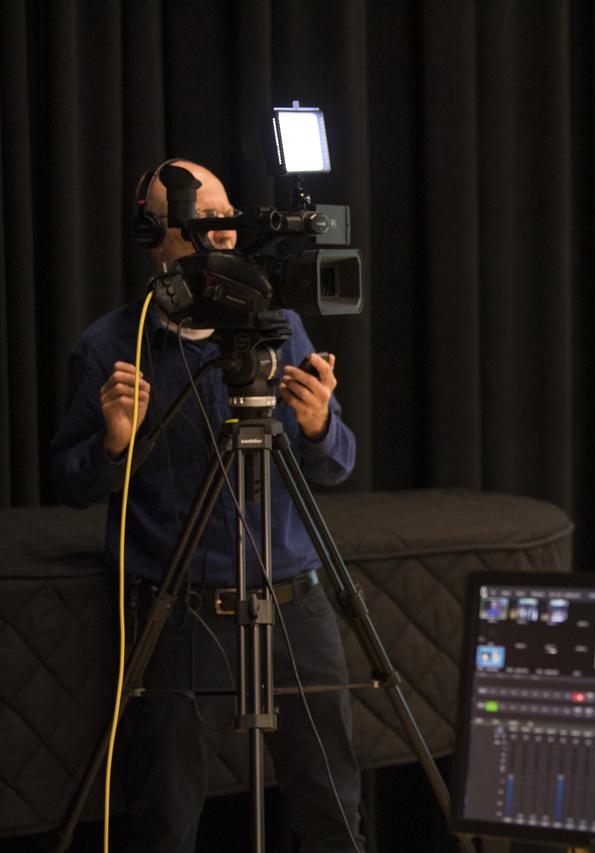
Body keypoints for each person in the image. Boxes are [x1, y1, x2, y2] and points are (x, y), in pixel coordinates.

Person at [50, 160, 365, 852]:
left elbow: (336, 462)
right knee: (164, 821)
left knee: (334, 813)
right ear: (154, 234)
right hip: (178, 611)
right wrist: (111, 443)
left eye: (224, 215)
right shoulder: (111, 347)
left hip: (294, 606)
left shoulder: (277, 327)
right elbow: (67, 484)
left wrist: (317, 426)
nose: (217, 233)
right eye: (197, 220)